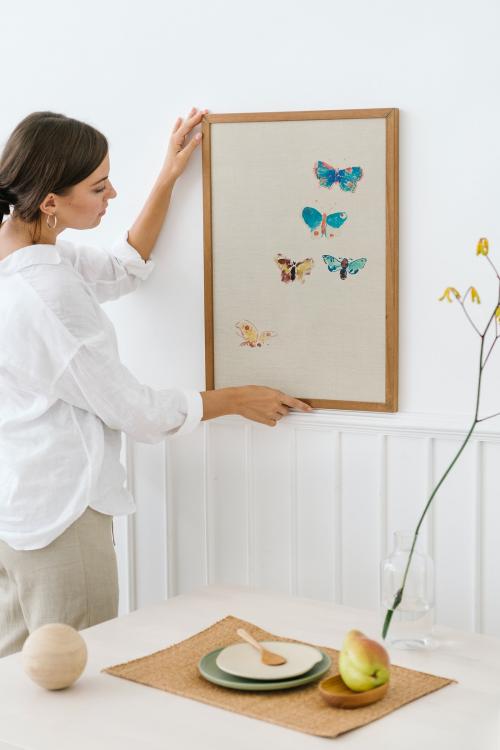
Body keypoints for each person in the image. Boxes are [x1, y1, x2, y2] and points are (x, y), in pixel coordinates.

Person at [0, 108, 312, 657]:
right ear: (49, 202)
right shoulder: (47, 294)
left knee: (16, 686)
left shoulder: (22, 247)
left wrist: (168, 177)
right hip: (60, 519)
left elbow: (122, 269)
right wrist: (236, 398)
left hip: (16, 508)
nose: (112, 192)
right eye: (98, 186)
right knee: (77, 679)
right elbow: (135, 411)